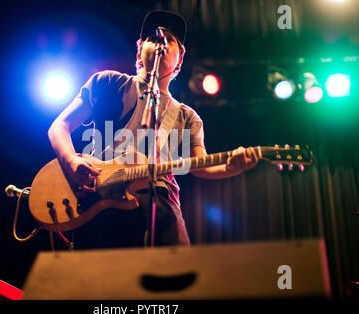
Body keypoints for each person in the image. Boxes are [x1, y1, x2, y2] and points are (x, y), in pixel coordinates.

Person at [48, 10, 259, 249]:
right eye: (155, 38)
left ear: (179, 59)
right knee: (97, 280)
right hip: (99, 199)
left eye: (170, 40)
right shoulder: (108, 82)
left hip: (160, 202)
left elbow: (199, 165)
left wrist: (231, 167)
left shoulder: (187, 116)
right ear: (140, 52)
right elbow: (60, 125)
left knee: (174, 276)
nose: (162, 44)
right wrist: (71, 162)